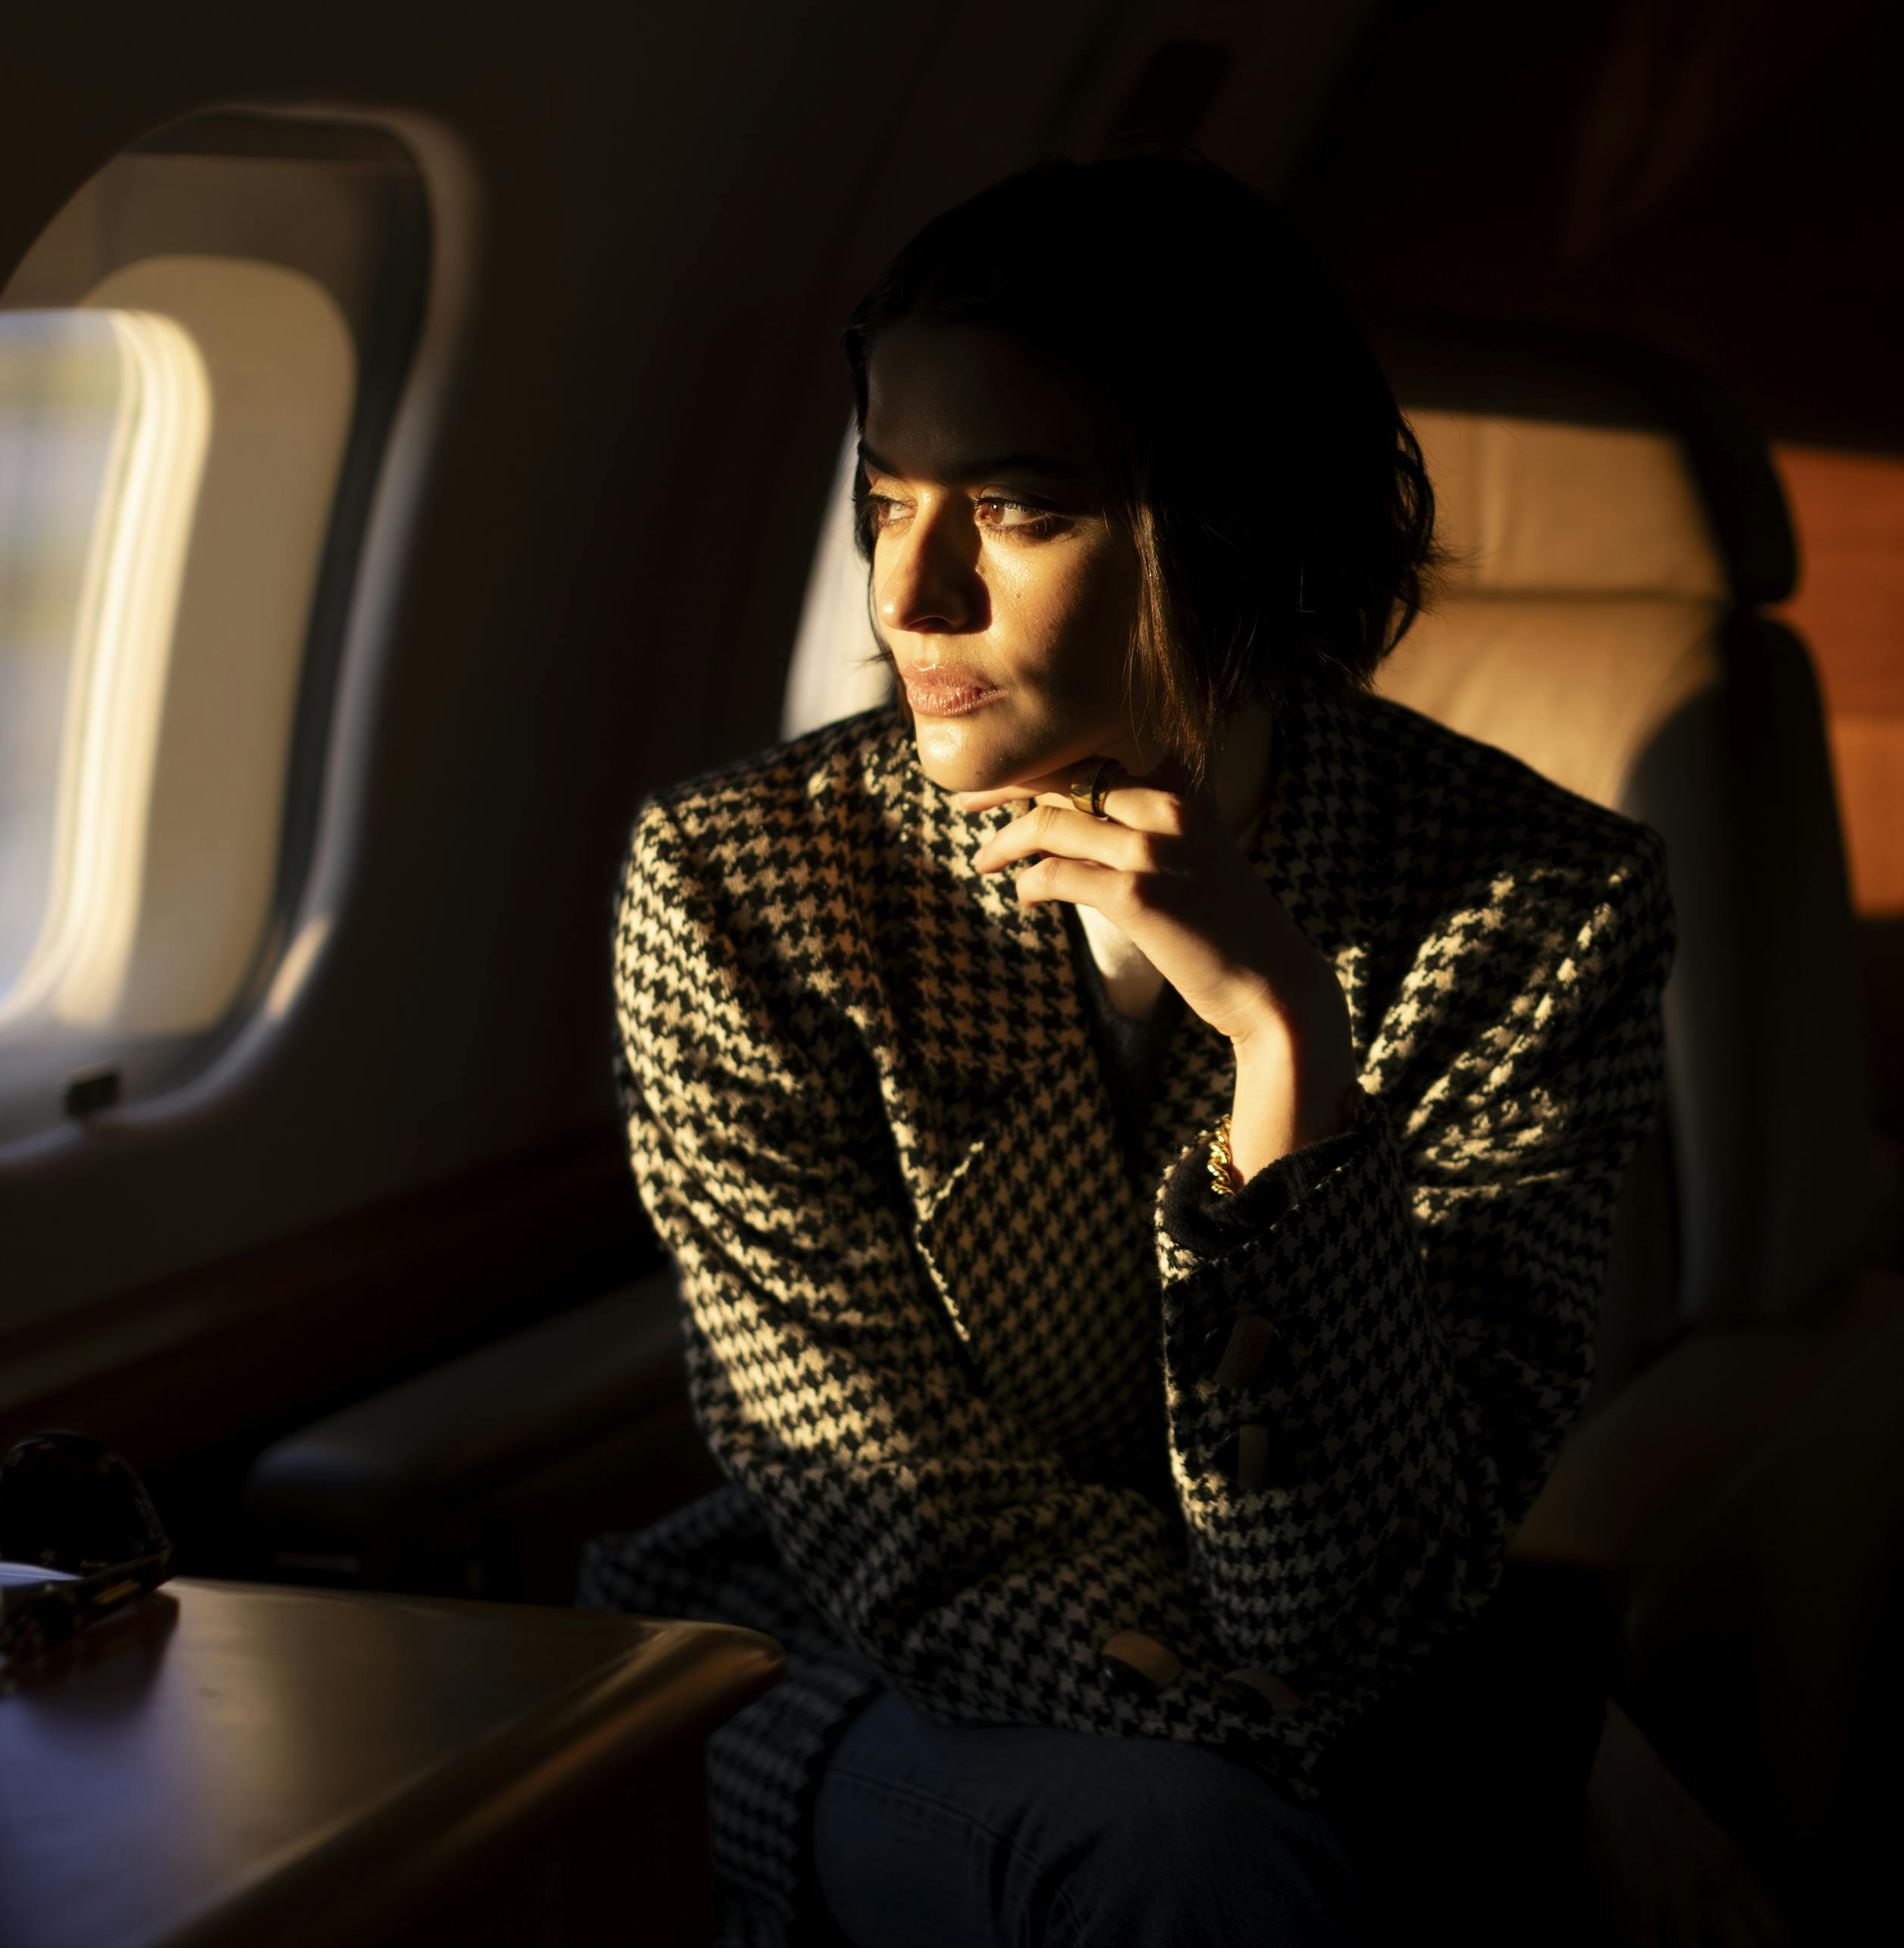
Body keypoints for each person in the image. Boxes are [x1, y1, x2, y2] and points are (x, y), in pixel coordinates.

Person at [580, 154, 1677, 1946]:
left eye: (1017, 514)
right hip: (845, 1652)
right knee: (1183, 1851)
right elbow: (901, 1529)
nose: (909, 597)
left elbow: (1377, 1581)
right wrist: (1527, 1733)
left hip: (1322, 1663)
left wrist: (1288, 1054)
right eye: (885, 500)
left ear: (1231, 521)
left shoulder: (1537, 906)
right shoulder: (743, 889)